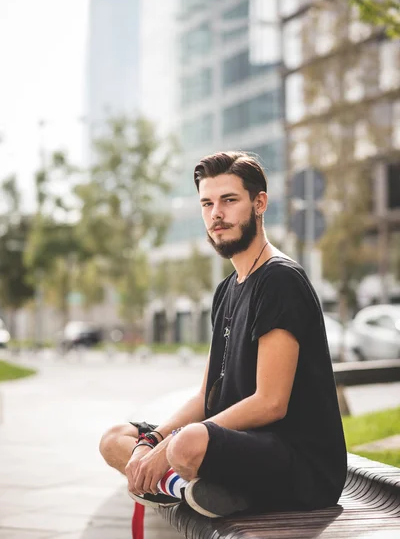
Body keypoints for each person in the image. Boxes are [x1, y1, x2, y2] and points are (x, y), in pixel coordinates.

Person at [99, 151, 347, 518]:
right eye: (207, 203)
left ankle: (187, 487)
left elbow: (270, 402)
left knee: (188, 444)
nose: (217, 214)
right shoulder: (226, 290)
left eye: (229, 200)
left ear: (259, 203)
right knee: (116, 439)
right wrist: (153, 441)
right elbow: (206, 395)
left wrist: (171, 447)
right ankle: (197, 490)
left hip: (301, 464)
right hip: (237, 445)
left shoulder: (280, 280)